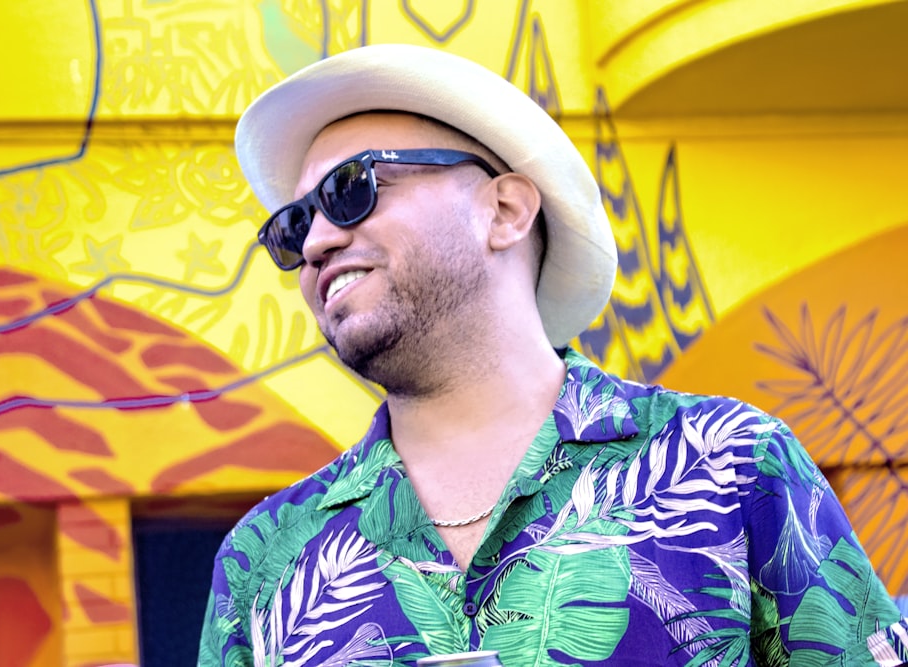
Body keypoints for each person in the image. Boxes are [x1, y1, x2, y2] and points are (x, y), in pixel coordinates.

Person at [198, 44, 908, 666]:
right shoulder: (262, 562)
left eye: (351, 190)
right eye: (292, 227)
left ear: (505, 210)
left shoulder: (730, 464)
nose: (316, 241)